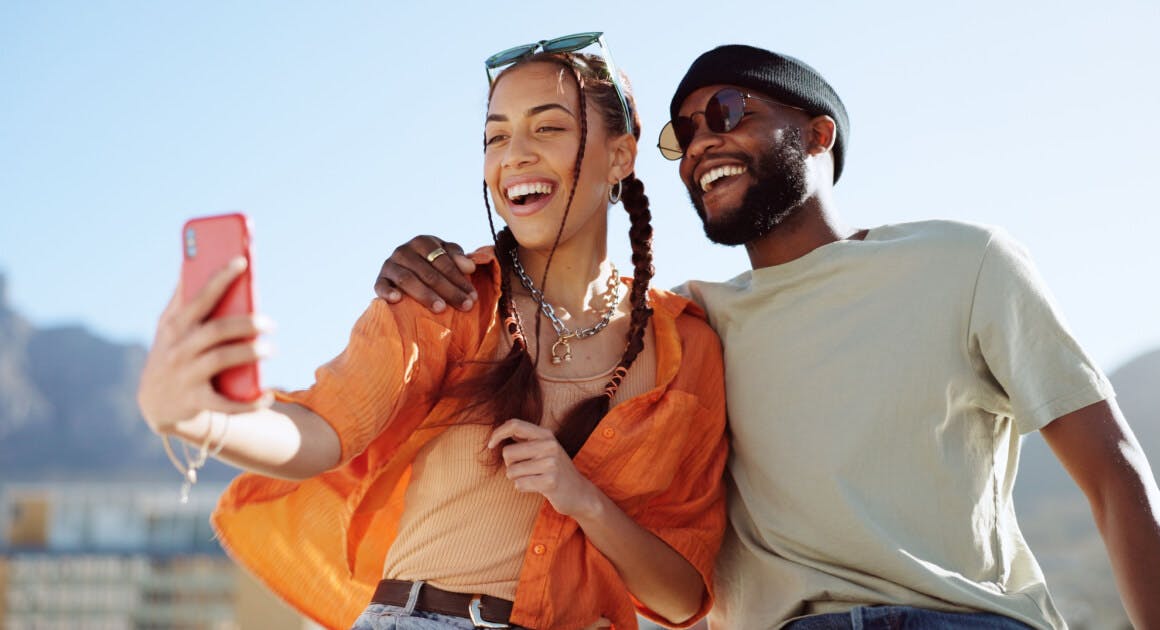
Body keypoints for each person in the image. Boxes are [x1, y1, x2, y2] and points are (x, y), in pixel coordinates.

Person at [372, 44, 1160, 630]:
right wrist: (431, 258)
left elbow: (1117, 476)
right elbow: (558, 299)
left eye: (728, 112)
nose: (701, 145)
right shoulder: (690, 324)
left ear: (815, 134)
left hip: (967, 620)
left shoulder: (965, 259)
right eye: (683, 133)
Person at [137, 33, 728, 630]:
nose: (513, 155)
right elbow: (321, 431)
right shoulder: (445, 299)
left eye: (547, 128)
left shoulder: (687, 349)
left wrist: (583, 500)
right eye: (495, 136)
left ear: (622, 156)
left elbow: (682, 597)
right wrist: (200, 416)